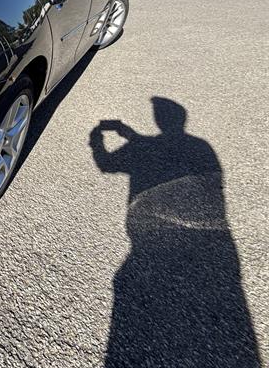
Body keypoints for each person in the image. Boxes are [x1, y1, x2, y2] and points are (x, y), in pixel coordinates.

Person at [90, 97, 259, 367]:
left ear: (160, 119)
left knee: (134, 313)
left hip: (146, 243)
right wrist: (132, 136)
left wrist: (95, 137)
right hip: (207, 244)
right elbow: (211, 185)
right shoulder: (201, 147)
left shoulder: (143, 148)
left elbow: (106, 163)